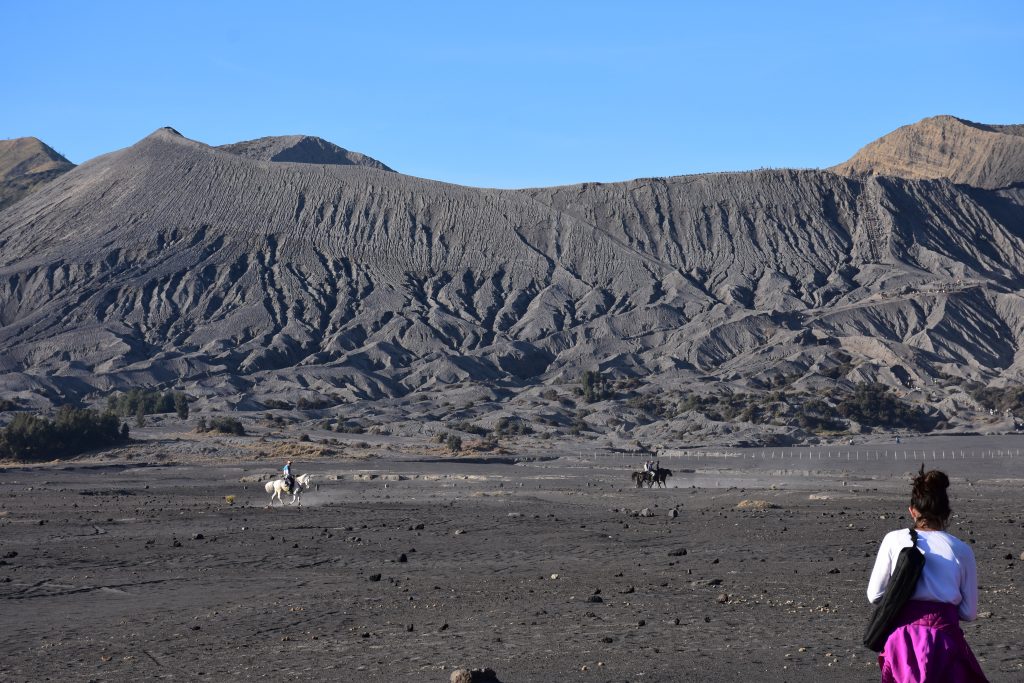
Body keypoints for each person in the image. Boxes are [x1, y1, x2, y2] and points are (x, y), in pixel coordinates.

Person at [866, 467, 987, 682]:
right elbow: (969, 612)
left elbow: (875, 594)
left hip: (901, 640)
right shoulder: (960, 550)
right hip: (944, 639)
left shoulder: (894, 539)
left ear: (912, 511)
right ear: (947, 513)